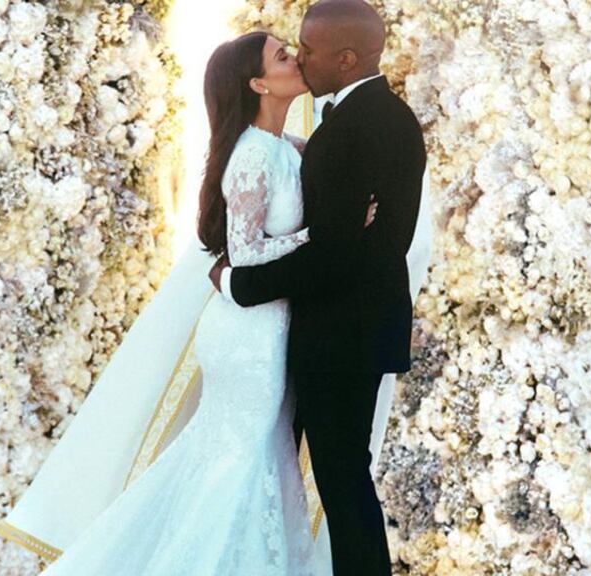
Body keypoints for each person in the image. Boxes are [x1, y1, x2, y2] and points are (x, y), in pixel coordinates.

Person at [0, 30, 380, 575]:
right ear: (257, 83)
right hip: (249, 335)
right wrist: (325, 236)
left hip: (271, 326)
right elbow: (245, 255)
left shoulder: (283, 147)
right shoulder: (249, 156)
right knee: (240, 460)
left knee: (255, 458)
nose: (294, 57)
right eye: (280, 55)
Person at [208, 1, 427, 575]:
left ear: (347, 58)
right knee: (325, 476)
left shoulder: (355, 128)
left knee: (340, 481)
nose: (300, 57)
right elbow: (340, 241)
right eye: (292, 50)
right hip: (351, 327)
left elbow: (334, 254)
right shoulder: (376, 119)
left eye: (307, 48)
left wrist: (240, 284)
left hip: (341, 335)